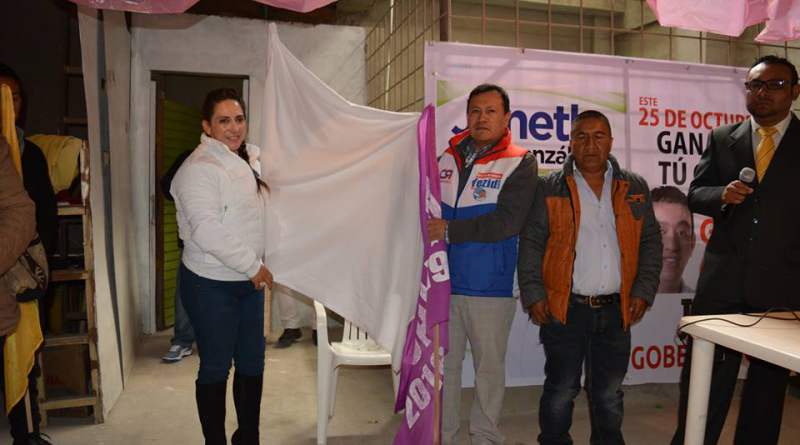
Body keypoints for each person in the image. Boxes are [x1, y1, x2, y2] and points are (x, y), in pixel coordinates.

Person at [671, 55, 800, 445]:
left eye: (775, 85)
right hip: (722, 282)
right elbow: (696, 194)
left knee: (766, 389)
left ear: (795, 92)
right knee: (705, 379)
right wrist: (721, 196)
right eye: (755, 85)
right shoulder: (722, 137)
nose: (762, 93)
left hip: (782, 285)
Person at [518, 110, 662, 445]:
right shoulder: (549, 187)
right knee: (561, 388)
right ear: (570, 143)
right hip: (564, 309)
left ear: (611, 141)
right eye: (581, 136)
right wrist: (534, 294)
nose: (590, 144)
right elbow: (532, 242)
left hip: (615, 309)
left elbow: (650, 241)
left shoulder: (634, 186)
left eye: (598, 136)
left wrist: (643, 291)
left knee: (609, 393)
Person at [427, 83, 538, 445]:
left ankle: (485, 437)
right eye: (475, 110)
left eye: (491, 111)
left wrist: (450, 230)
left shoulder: (520, 161)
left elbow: (508, 222)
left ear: (507, 118)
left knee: (488, 371)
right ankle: (441, 436)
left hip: (491, 287)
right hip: (444, 284)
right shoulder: (445, 158)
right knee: (444, 371)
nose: (481, 118)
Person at [171, 88, 272, 445]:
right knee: (216, 366)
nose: (234, 127)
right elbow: (206, 230)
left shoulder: (245, 159)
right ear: (207, 126)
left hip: (248, 282)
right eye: (224, 121)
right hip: (210, 283)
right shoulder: (198, 169)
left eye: (239, 119)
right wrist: (253, 266)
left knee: (252, 364)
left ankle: (248, 438)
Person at [0, 64, 57, 255]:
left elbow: (46, 216)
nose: (7, 106)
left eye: (14, 98)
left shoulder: (31, 155)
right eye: (1, 98)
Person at [160, 148, 195, 362]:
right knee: (185, 290)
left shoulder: (239, 159)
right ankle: (182, 340)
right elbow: (167, 187)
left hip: (229, 243)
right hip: (192, 241)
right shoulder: (190, 158)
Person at [651, 185, 696, 293]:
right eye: (660, 231)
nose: (672, 246)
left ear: (693, 243)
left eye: (682, 232)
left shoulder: (704, 303)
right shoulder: (614, 300)